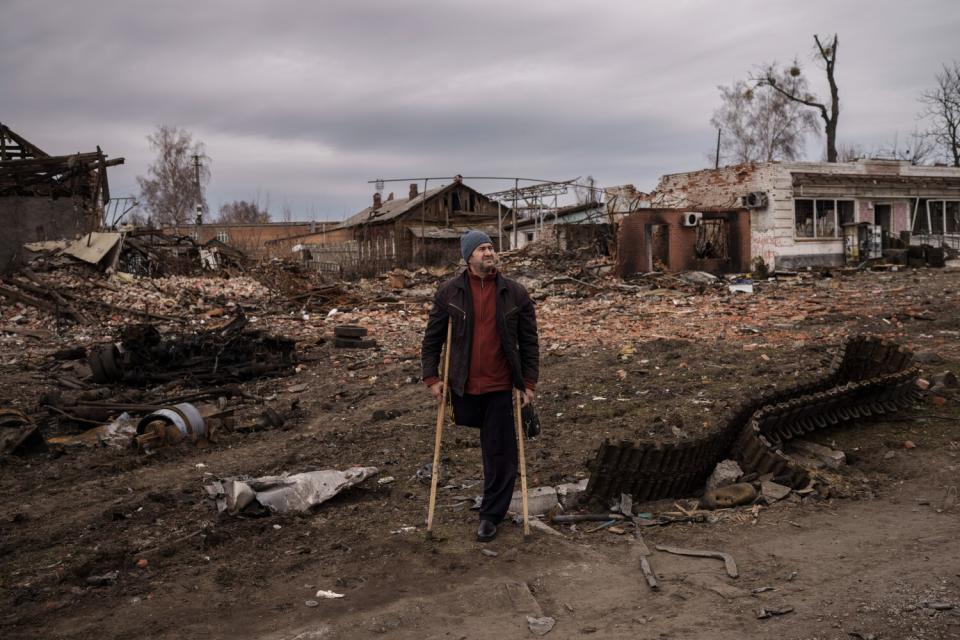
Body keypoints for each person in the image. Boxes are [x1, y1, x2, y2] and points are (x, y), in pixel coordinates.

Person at [421, 230, 539, 542]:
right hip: (462, 386)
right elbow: (432, 339)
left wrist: (528, 383)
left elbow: (529, 342)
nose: (489, 253)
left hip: (501, 386)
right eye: (482, 249)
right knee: (472, 434)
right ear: (469, 256)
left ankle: (490, 515)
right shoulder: (450, 292)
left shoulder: (515, 293)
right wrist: (431, 378)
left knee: (500, 453)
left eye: (491, 247)